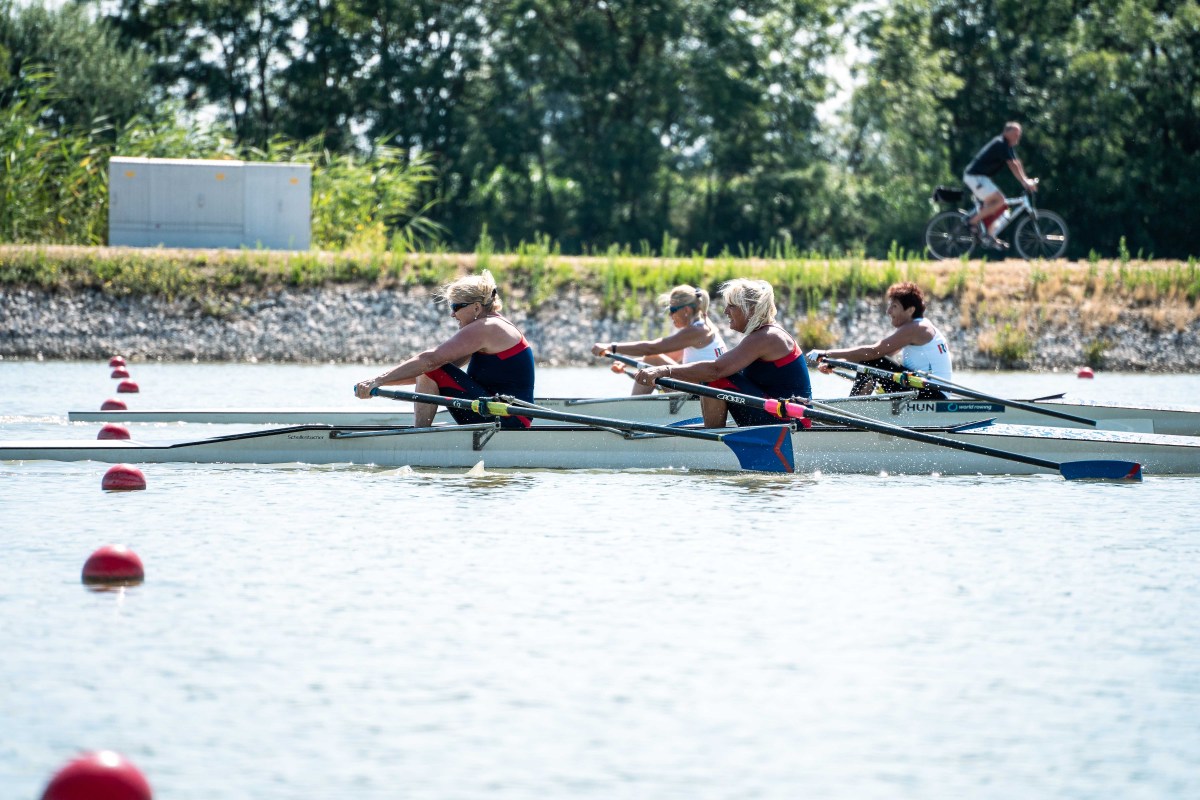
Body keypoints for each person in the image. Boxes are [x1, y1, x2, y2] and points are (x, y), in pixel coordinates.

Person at [354, 270, 535, 428]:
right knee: (430, 369)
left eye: (455, 307)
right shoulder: (491, 326)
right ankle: (420, 434)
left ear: (476, 307)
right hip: (504, 414)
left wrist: (377, 380)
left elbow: (430, 361)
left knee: (431, 367)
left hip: (508, 418)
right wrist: (379, 384)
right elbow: (427, 373)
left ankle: (418, 439)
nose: (452, 314)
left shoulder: (486, 327)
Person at [629, 279, 811, 428]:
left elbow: (716, 370)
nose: (725, 312)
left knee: (715, 379)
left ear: (750, 308)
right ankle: (714, 431)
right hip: (781, 414)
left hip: (789, 420)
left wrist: (664, 371)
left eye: (731, 306)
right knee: (719, 376)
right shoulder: (763, 335)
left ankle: (712, 443)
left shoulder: (767, 337)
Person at [808, 282, 952, 399]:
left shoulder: (916, 328)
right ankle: (858, 407)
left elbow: (873, 352)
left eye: (894, 306)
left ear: (910, 310)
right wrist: (836, 363)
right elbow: (883, 354)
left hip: (933, 395)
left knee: (872, 361)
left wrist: (827, 353)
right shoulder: (918, 327)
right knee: (872, 361)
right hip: (924, 388)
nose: (888, 311)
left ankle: (854, 411)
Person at [591, 285, 726, 395]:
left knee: (653, 357)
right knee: (652, 361)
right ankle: (636, 409)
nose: (670, 314)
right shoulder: (703, 326)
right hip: (704, 389)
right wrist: (626, 364)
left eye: (673, 309)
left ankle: (632, 411)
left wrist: (611, 347)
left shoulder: (697, 331)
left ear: (686, 310)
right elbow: (670, 356)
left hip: (705, 395)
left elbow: (653, 348)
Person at [964, 121, 1039, 249]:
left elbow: (1017, 163)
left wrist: (1026, 179)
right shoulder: (1001, 144)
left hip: (980, 178)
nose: (1018, 137)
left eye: (1019, 134)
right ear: (1006, 132)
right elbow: (1012, 164)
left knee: (1000, 209)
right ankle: (971, 222)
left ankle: (989, 235)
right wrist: (1024, 182)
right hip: (975, 177)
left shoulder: (1007, 146)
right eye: (1015, 134)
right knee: (1000, 200)